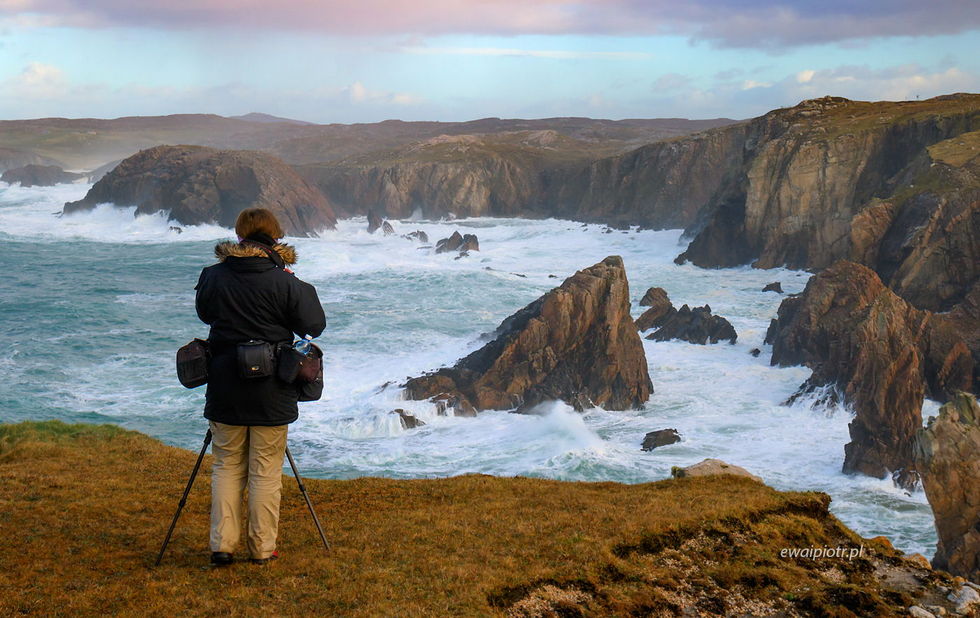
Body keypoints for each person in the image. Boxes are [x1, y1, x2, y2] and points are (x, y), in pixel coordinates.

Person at [194, 208, 325, 566]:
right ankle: (262, 549)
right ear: (275, 236)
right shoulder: (286, 282)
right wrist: (292, 283)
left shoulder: (213, 276)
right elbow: (314, 325)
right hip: (273, 386)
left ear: (239, 235)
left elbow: (205, 314)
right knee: (265, 470)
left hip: (225, 383)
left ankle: (222, 546)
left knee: (226, 465)